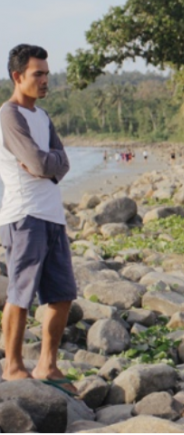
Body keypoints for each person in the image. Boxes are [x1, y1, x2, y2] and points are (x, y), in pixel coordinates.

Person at [0, 44, 76, 395]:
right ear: (18, 77)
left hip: (52, 214)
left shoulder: (42, 117)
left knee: (62, 295)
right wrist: (48, 164)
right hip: (24, 215)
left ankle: (47, 364)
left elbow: (59, 161)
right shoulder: (9, 115)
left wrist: (48, 165)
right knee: (21, 293)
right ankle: (13, 366)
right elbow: (41, 162)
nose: (46, 80)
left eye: (46, 73)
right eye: (38, 74)